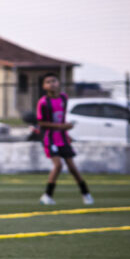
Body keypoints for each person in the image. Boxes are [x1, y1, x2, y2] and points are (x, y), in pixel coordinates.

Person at [36, 73, 93, 206]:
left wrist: (66, 129)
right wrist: (62, 126)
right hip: (50, 138)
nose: (51, 84)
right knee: (58, 165)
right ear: (44, 86)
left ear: (59, 83)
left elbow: (61, 117)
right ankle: (47, 196)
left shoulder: (64, 98)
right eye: (48, 82)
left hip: (62, 137)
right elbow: (42, 122)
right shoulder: (43, 102)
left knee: (72, 167)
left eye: (54, 81)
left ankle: (86, 194)